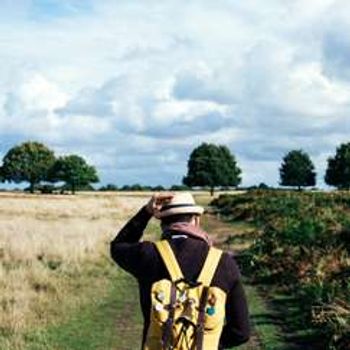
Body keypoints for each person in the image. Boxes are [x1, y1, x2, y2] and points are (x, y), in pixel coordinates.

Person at [110, 192, 250, 349]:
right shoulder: (224, 262)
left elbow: (118, 246)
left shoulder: (148, 254)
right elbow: (241, 332)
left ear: (162, 223)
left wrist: (147, 212)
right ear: (196, 220)